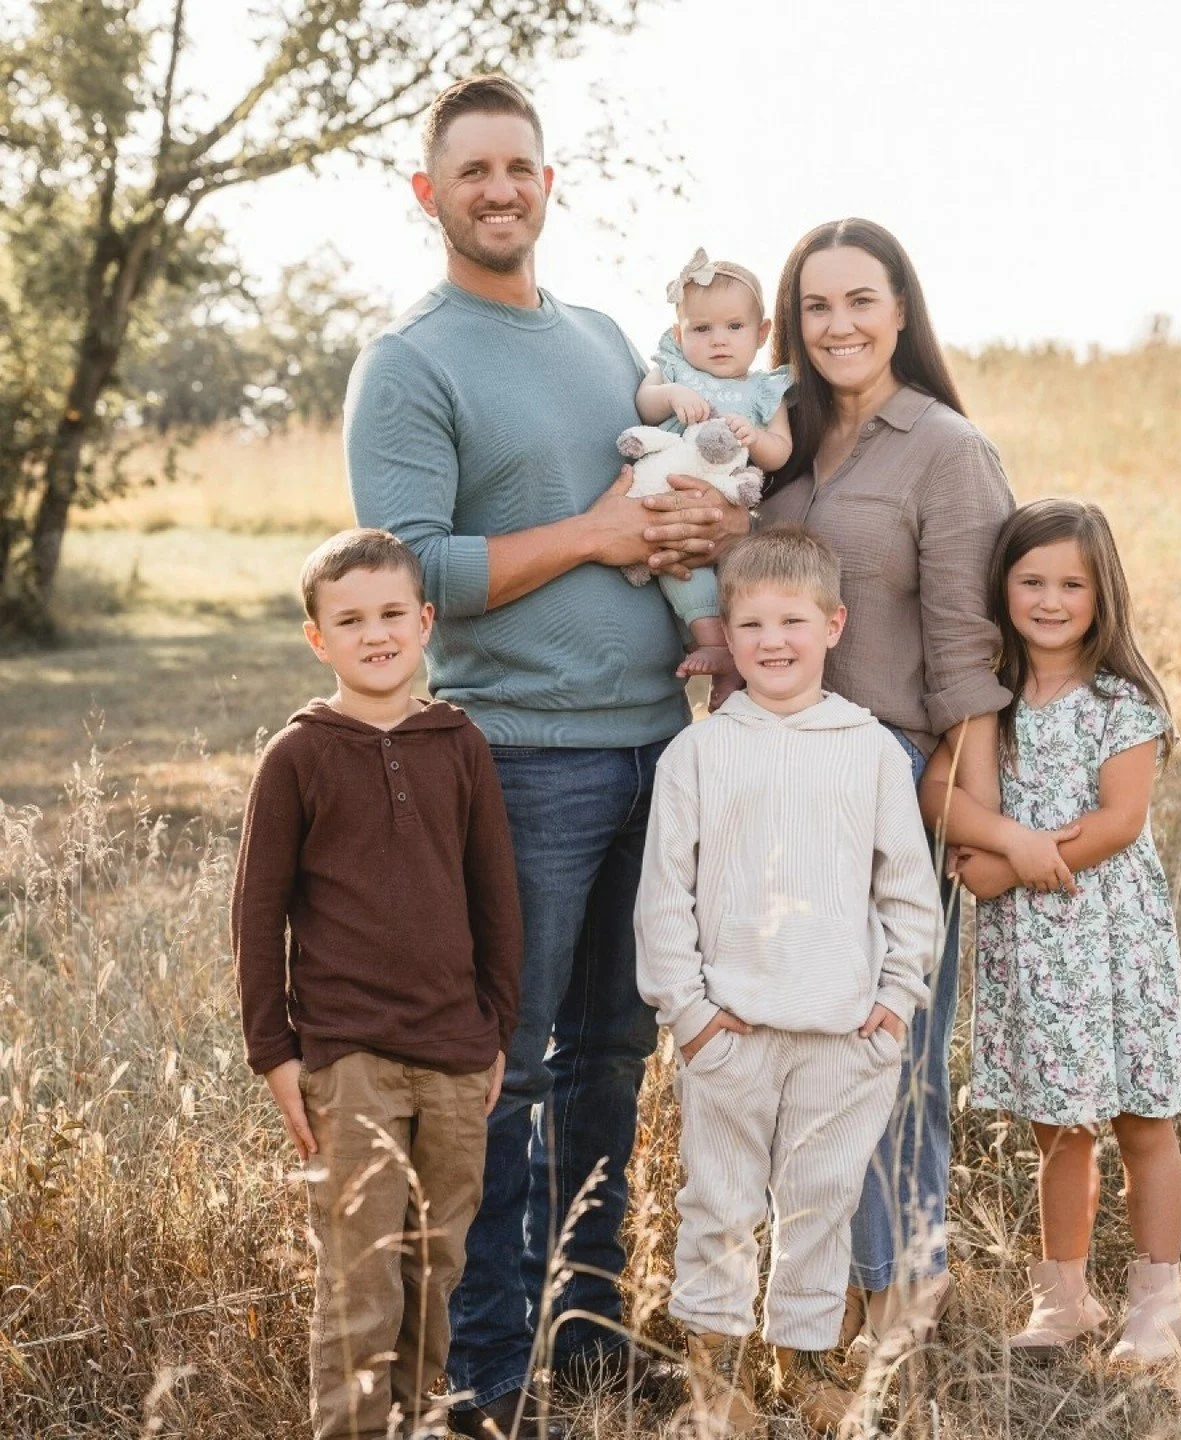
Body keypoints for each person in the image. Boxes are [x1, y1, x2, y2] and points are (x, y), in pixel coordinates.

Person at [343, 75, 744, 1438]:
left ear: (549, 182)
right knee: (503, 1070)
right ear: (430, 194)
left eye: (520, 165)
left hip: (662, 750)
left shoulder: (604, 338)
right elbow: (407, 573)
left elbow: (664, 504)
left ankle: (588, 1333)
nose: (500, 188)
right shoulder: (411, 362)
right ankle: (486, 1367)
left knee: (613, 1055)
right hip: (519, 764)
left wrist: (693, 533)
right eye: (473, 171)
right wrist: (593, 535)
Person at [758, 218, 1015, 1347]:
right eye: (816, 305)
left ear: (902, 309)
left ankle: (901, 1301)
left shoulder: (947, 450)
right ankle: (825, 1295)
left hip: (893, 780)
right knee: (797, 1054)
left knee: (892, 1050)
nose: (839, 325)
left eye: (861, 300)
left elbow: (973, 657)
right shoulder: (776, 446)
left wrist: (972, 821)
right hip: (772, 780)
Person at [635, 527, 941, 1436]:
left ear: (833, 625)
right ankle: (715, 1377)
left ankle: (801, 1364)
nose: (772, 641)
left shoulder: (871, 749)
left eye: (792, 622)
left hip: (846, 1034)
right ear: (725, 635)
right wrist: (689, 1014)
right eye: (752, 625)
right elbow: (664, 897)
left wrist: (894, 1003)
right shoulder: (697, 754)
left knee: (822, 1204)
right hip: (731, 1032)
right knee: (718, 1206)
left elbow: (908, 889)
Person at [231, 528, 523, 1440]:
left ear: (426, 621)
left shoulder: (458, 743)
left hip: (455, 1056)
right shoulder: (298, 755)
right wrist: (275, 1054)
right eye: (351, 620)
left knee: (435, 1271)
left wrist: (496, 1031)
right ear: (317, 638)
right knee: (361, 1282)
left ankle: (414, 1423)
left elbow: (497, 899)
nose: (377, 634)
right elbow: (256, 916)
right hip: (348, 1057)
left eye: (393, 613)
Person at [921, 498, 1181, 1363]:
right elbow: (938, 793)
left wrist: (1009, 867)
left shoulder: (1120, 702)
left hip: (1115, 941)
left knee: (1143, 1118)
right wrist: (1009, 840)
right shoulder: (987, 702)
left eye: (1071, 584)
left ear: (1101, 592)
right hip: (1035, 949)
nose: (1049, 600)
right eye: (1031, 581)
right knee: (1059, 1126)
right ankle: (1064, 1301)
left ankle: (1156, 1307)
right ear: (1002, 587)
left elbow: (1119, 820)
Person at [632, 248, 794, 690]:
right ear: (679, 334)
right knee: (684, 575)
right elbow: (645, 405)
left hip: (725, 505)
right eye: (702, 329)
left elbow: (780, 451)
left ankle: (731, 671)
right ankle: (712, 649)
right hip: (670, 497)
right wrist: (671, 396)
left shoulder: (764, 391)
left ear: (761, 333)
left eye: (734, 327)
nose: (718, 340)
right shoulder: (673, 370)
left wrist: (754, 437)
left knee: (742, 589)